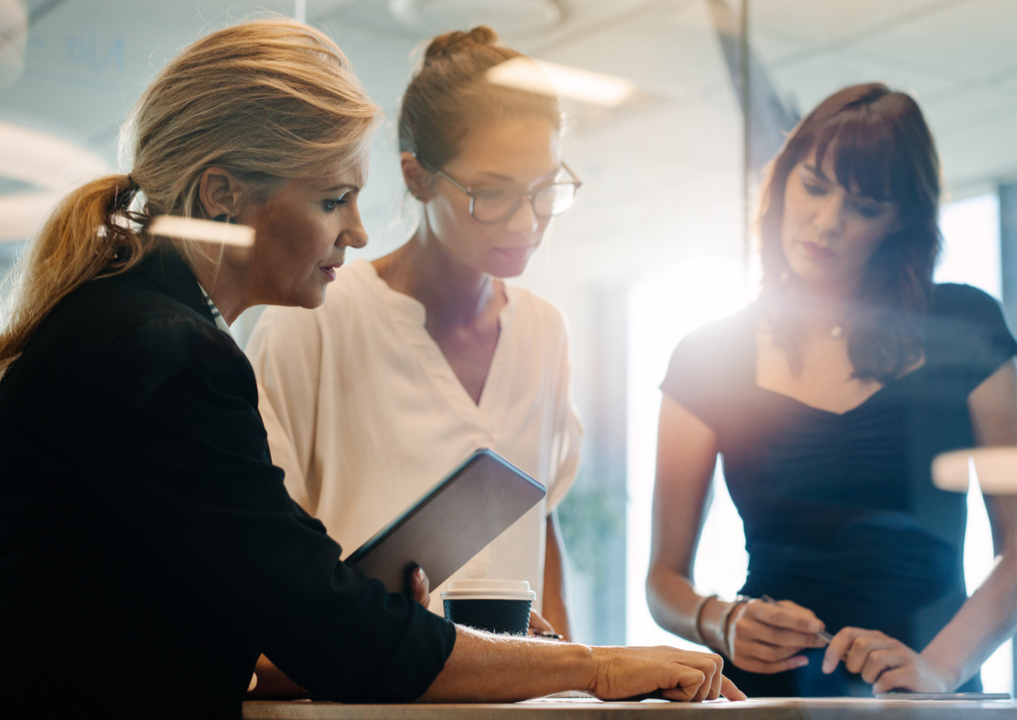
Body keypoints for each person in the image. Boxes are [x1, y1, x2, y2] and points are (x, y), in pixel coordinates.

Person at [0, 19, 738, 720]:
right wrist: (594, 667)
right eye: (332, 200)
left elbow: (237, 612)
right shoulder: (164, 351)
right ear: (221, 194)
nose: (355, 229)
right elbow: (332, 626)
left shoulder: (129, 326)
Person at [646, 83, 1017, 697]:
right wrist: (720, 620)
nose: (827, 222)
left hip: (927, 692)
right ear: (782, 181)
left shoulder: (968, 329)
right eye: (814, 186)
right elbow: (663, 580)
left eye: (864, 207)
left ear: (899, 224)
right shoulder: (707, 356)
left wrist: (938, 669)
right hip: (768, 696)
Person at [246, 26, 579, 640]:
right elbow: (265, 546)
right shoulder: (315, 318)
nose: (528, 221)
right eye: (493, 192)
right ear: (418, 177)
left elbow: (541, 525)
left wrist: (574, 676)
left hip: (517, 698)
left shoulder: (543, 332)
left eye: (544, 189)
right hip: (360, 693)